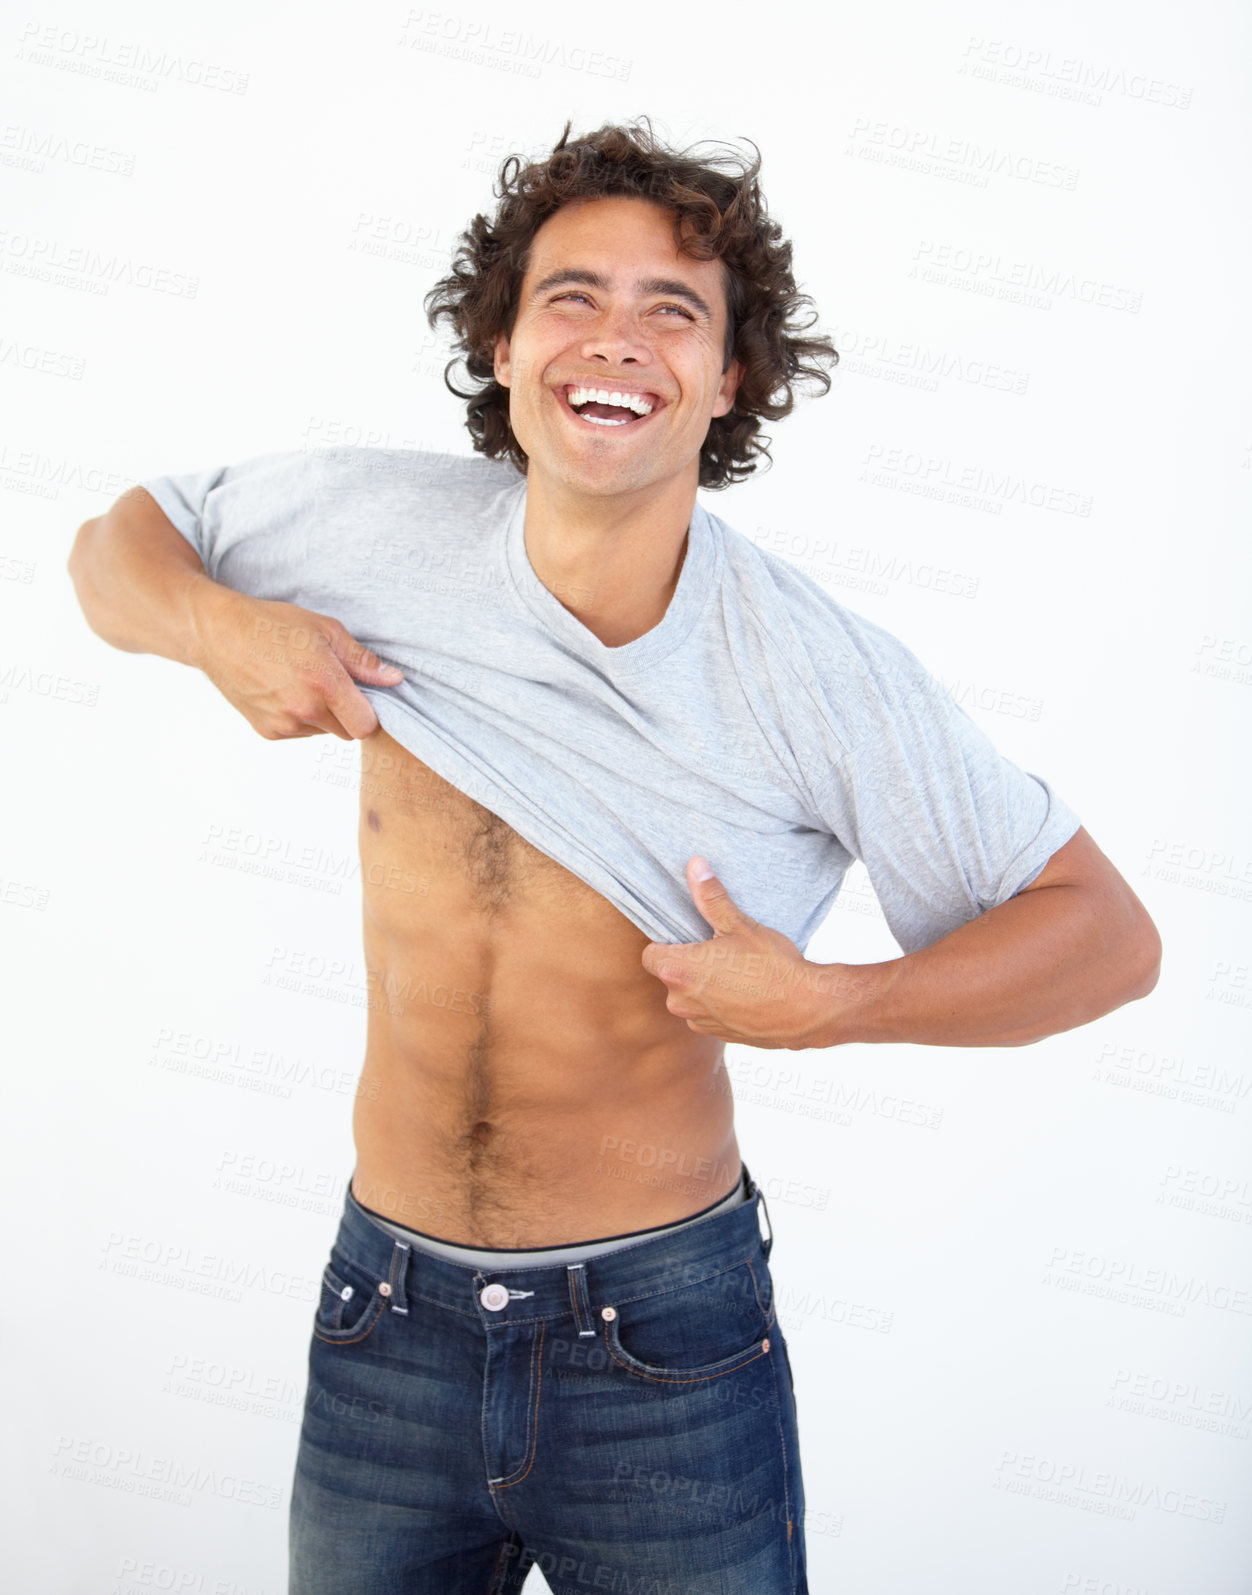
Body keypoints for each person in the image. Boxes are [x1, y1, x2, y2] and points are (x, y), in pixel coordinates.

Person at [67, 120, 1161, 1595]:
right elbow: (123, 539)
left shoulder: (809, 668)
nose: (618, 341)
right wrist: (218, 626)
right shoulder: (372, 527)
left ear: (730, 379)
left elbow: (1107, 932)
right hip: (379, 1317)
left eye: (676, 312)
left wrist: (837, 1002)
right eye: (573, 297)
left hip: (660, 1345)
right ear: (504, 344)